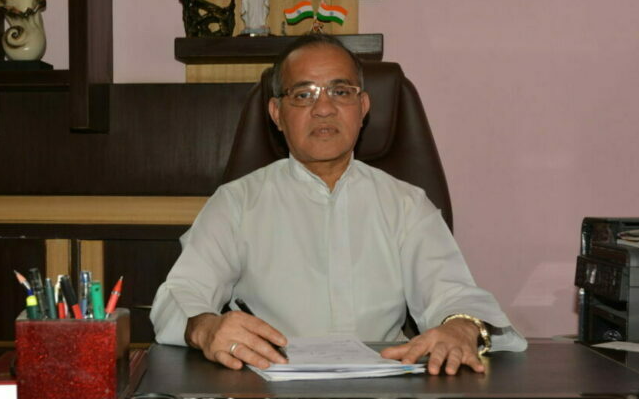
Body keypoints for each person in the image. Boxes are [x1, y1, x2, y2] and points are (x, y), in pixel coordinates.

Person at [150, 34, 526, 376]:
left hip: (385, 397)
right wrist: (206, 327)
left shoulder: (407, 204)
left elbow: (452, 293)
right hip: (269, 394)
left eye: (341, 91)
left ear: (363, 107)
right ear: (277, 114)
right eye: (303, 95)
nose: (324, 108)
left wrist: (460, 327)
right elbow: (179, 295)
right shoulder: (235, 204)